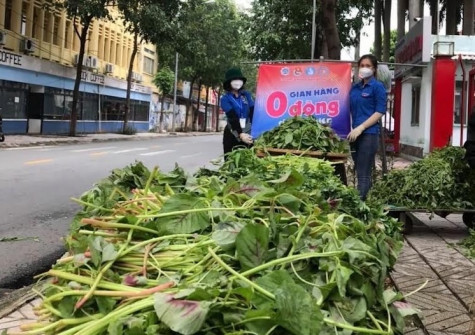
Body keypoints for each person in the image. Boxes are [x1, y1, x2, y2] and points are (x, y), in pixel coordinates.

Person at [348, 54, 387, 200]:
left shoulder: (377, 87)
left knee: (364, 174)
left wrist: (361, 127)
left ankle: (359, 207)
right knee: (359, 171)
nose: (364, 68)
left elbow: (379, 112)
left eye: (368, 66)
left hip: (368, 134)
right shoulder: (355, 88)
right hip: (354, 135)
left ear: (374, 69)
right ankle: (366, 204)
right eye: (362, 65)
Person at [220, 67, 254, 157]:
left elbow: (252, 111)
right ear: (229, 82)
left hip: (247, 129)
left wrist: (254, 131)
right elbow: (232, 117)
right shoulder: (225, 99)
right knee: (231, 159)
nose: (238, 82)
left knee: (248, 159)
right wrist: (240, 134)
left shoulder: (246, 95)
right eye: (235, 79)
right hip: (232, 131)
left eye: (239, 79)